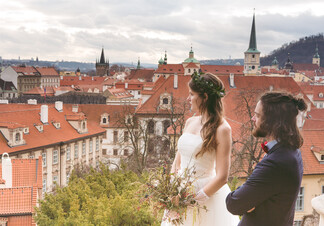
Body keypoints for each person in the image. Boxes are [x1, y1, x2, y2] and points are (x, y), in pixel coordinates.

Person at [161, 72, 239, 225]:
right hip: (179, 191)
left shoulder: (222, 129)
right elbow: (177, 161)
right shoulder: (190, 121)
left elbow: (222, 176)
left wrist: (194, 200)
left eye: (192, 94)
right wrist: (172, 190)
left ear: (205, 97)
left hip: (205, 195)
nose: (188, 99)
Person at [226, 91, 307, 226]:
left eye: (257, 115)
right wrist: (250, 197)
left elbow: (233, 203)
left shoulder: (276, 162)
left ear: (272, 121)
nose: (252, 118)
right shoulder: (291, 151)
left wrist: (248, 198)